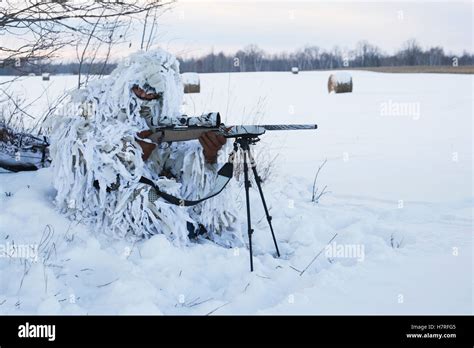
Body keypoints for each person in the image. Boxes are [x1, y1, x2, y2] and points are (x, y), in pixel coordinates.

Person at [49, 49, 243, 247]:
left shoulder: (161, 112)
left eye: (153, 92)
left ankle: (201, 225)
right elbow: (84, 167)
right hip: (105, 197)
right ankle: (179, 229)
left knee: (195, 190)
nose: (145, 94)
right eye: (139, 87)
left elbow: (175, 159)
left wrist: (206, 155)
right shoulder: (93, 106)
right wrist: (133, 155)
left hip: (150, 183)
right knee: (147, 201)